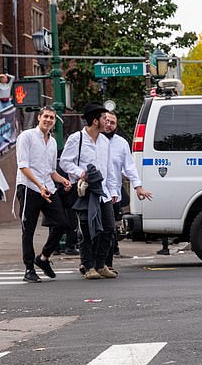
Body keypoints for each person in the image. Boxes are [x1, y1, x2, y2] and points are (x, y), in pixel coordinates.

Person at [60, 102, 117, 280]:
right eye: (103, 119)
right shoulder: (76, 139)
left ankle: (101, 264)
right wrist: (80, 173)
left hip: (103, 192)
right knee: (86, 230)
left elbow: (109, 168)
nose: (106, 122)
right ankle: (88, 265)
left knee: (108, 229)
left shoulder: (105, 142)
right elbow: (65, 162)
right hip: (84, 192)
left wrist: (113, 189)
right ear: (95, 121)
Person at [15, 106, 71, 282]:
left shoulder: (53, 142)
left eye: (52, 118)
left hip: (47, 186)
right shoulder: (27, 136)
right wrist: (39, 186)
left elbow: (51, 171)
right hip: (29, 187)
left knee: (62, 223)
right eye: (45, 116)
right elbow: (23, 166)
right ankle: (29, 269)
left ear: (54, 122)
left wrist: (63, 180)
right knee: (28, 229)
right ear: (39, 118)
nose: (48, 120)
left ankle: (44, 257)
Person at [101, 110, 152, 272]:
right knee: (93, 230)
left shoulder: (121, 143)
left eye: (112, 123)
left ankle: (107, 264)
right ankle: (88, 263)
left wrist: (138, 187)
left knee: (110, 229)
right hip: (94, 192)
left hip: (113, 193)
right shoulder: (91, 140)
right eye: (107, 121)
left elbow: (129, 167)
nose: (109, 125)